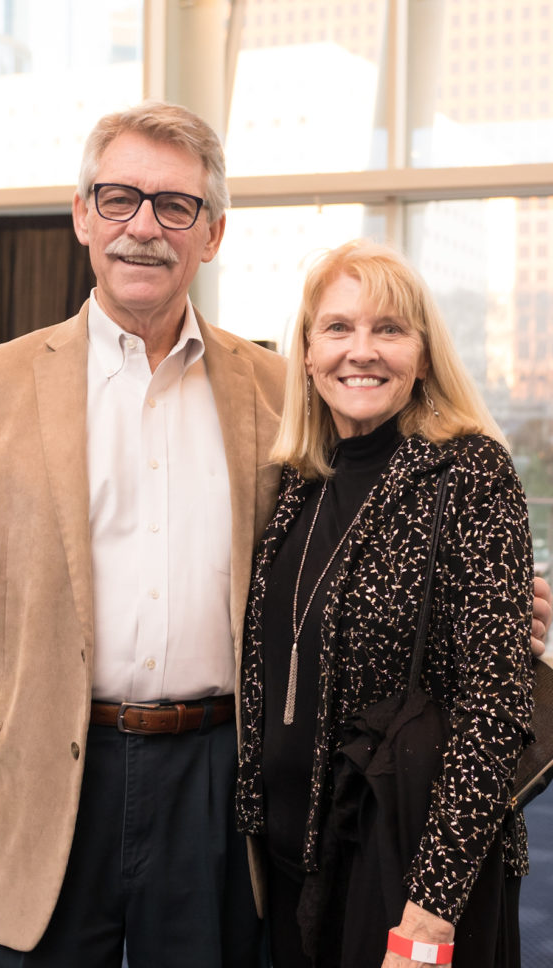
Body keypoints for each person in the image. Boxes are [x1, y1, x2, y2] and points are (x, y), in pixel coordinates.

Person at [0, 110, 550, 968]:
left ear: (214, 232)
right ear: (82, 214)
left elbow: (380, 506)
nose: (144, 226)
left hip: (221, 791)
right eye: (119, 199)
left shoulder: (278, 389)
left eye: (175, 206)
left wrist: (487, 601)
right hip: (33, 790)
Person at [236, 239, 543, 968]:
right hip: (289, 864)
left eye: (389, 329)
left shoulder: (470, 474)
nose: (361, 351)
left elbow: (496, 705)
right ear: (306, 354)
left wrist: (430, 913)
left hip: (402, 870)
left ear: (425, 356)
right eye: (338, 328)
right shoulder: (299, 488)